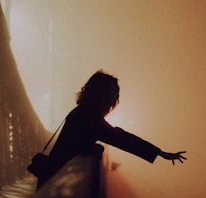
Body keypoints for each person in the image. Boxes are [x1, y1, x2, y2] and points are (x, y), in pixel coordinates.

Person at [36, 70, 186, 188]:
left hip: (55, 179)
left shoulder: (83, 111)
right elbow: (120, 138)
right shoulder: (89, 116)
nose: (114, 97)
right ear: (100, 93)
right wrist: (158, 152)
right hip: (59, 183)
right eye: (111, 92)